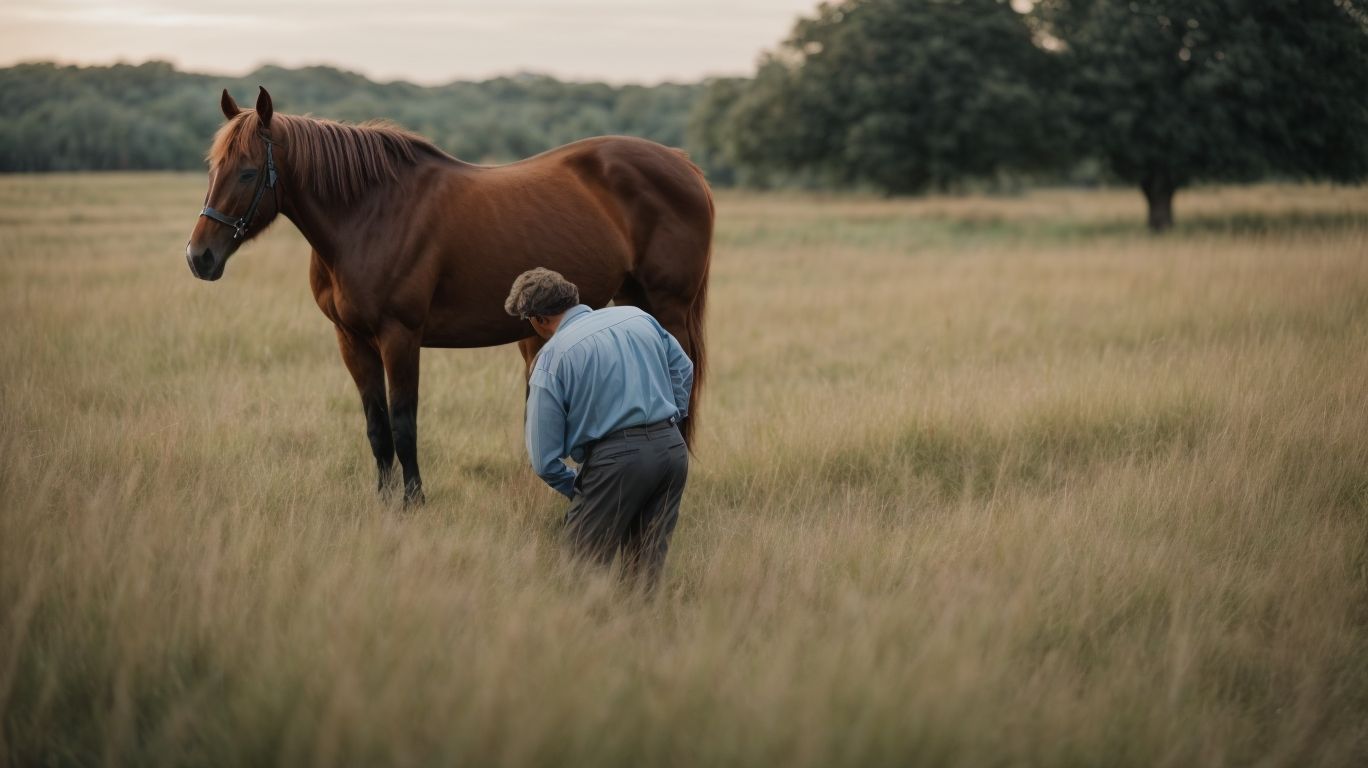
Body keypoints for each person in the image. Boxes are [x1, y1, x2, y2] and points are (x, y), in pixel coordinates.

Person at [505, 268, 693, 590]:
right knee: (645, 571)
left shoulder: (551, 359)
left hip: (614, 463)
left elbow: (543, 460)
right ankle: (642, 632)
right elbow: (684, 368)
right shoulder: (638, 317)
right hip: (672, 452)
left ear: (538, 319)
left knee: (579, 573)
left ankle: (587, 637)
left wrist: (579, 487)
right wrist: (669, 420)